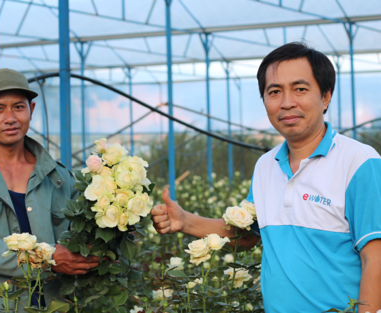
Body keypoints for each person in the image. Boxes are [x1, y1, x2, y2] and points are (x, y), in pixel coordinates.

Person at [151, 42, 381, 312]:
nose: (286, 102)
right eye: (274, 92)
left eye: (300, 89)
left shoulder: (358, 161)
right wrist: (185, 220)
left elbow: (375, 258)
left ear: (326, 96)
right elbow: (248, 236)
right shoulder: (265, 166)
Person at [0, 68, 101, 312]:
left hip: (55, 302)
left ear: (31, 110)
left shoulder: (58, 175)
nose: (10, 118)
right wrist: (48, 259)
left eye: (18, 107)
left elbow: (82, 232)